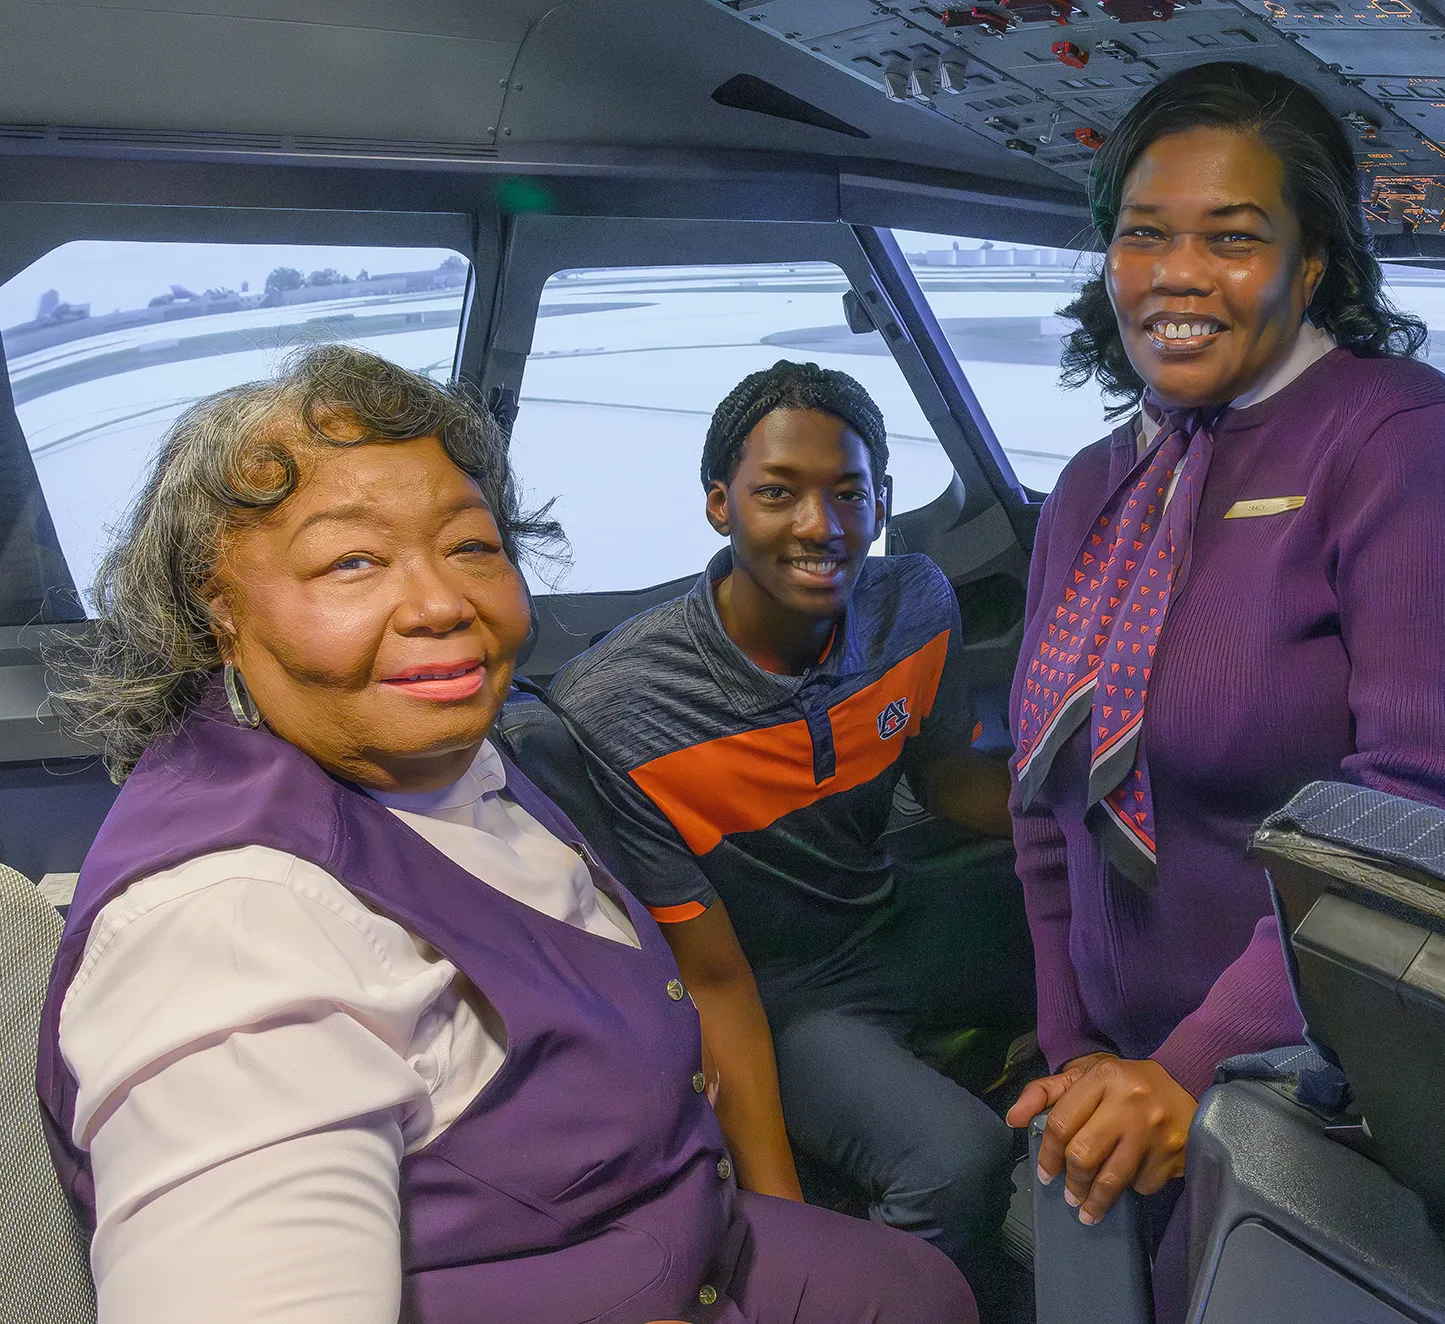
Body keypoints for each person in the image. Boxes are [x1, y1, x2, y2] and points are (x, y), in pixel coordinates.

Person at [35, 345, 976, 1324]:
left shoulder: (458, 746)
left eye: (471, 546)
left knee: (926, 1291)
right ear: (217, 609)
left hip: (676, 1216)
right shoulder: (230, 935)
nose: (442, 601)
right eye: (352, 560)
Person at [1001, 62, 1445, 1318]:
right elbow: (1047, 805)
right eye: (1142, 234)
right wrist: (1077, 1047)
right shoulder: (1093, 488)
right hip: (1141, 1072)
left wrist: (1194, 1064)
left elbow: (1431, 803)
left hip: (1347, 1079)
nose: (1176, 273)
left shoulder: (1402, 441)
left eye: (1231, 237)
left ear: (1313, 266)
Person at [548, 361, 1017, 1292]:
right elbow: (713, 980)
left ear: (881, 503)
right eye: (778, 493)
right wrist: (787, 1229)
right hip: (782, 992)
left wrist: (1091, 827)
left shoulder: (913, 604)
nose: (821, 525)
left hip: (887, 913)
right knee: (956, 1163)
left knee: (1113, 936)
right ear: (721, 505)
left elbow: (954, 779)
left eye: (850, 494)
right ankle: (881, 1298)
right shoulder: (624, 711)